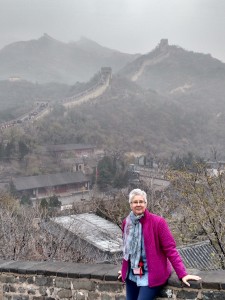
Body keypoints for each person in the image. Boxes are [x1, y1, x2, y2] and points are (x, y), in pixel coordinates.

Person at [118, 188, 201, 300]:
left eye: (141, 202)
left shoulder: (158, 222)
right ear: (130, 204)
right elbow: (127, 249)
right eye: (135, 202)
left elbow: (170, 249)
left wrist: (182, 273)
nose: (138, 204)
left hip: (151, 274)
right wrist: (125, 269)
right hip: (132, 274)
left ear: (146, 203)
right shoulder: (127, 223)